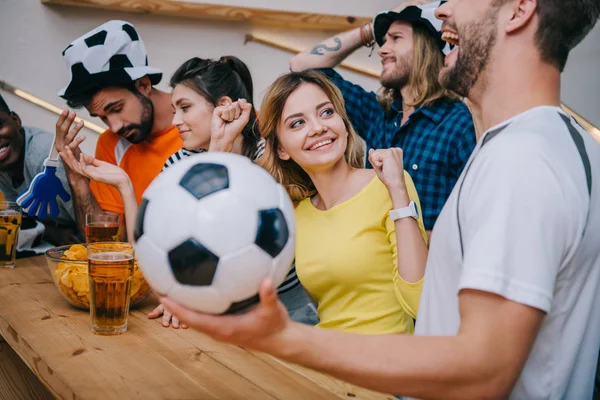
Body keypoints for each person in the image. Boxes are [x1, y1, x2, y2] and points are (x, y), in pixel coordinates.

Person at [160, 0, 600, 398]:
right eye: (296, 124)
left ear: (519, 9)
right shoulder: (539, 146)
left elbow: (482, 373)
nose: (441, 11)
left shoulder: (523, 162)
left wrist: (283, 339)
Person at [60, 56, 314, 328]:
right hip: (217, 314)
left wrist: (219, 145)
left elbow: (219, 231)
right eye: (174, 109)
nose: (175, 120)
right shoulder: (178, 162)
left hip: (286, 310)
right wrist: (124, 185)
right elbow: (149, 250)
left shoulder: (271, 157)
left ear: (223, 107)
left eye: (185, 108)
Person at [214, 69, 428, 334]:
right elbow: (225, 263)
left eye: (326, 112)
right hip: (324, 362)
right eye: (297, 123)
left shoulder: (388, 185)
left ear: (344, 123)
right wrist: (219, 147)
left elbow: (419, 303)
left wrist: (397, 191)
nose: (318, 128)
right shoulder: (295, 211)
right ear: (281, 149)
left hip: (388, 365)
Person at [290, 1, 475, 235]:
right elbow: (302, 66)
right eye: (384, 40)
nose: (382, 49)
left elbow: (477, 218)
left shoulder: (461, 123)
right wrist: (368, 30)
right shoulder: (378, 114)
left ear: (425, 46)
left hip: (430, 270)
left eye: (396, 38)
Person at [55, 20, 182, 238]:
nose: (113, 126)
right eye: (102, 117)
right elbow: (106, 246)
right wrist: (76, 178)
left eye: (116, 108)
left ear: (143, 84)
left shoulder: (204, 123)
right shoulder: (111, 144)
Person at [0, 94, 78, 246]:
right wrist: (50, 232)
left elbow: (92, 223)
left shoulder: (45, 156)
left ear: (16, 120)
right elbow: (18, 216)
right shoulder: (6, 161)